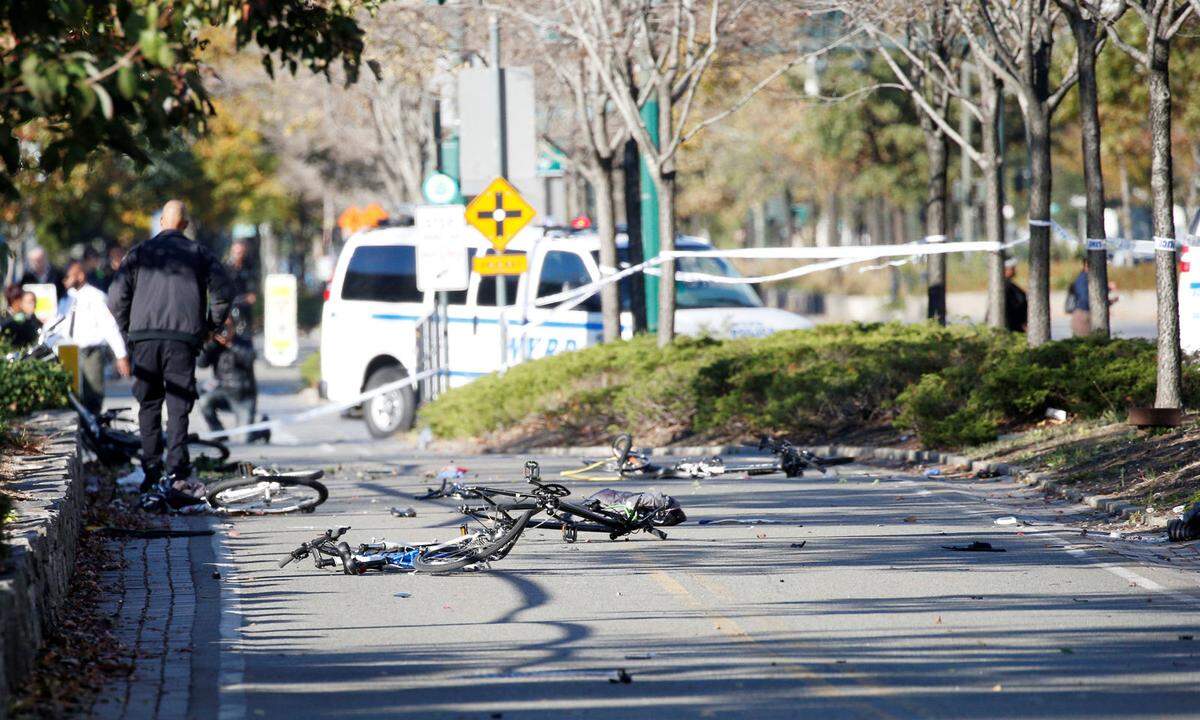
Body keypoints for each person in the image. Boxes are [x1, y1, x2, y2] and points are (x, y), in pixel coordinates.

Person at [108, 200, 233, 491]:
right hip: (183, 340)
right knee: (179, 407)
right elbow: (224, 292)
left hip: (144, 340)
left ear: (162, 222)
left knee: (148, 404)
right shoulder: (199, 253)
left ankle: (151, 471)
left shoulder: (139, 253)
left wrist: (129, 331)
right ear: (186, 225)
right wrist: (209, 327)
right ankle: (176, 471)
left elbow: (116, 298)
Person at [55, 260, 132, 414]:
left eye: (69, 277)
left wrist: (121, 355)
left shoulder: (96, 297)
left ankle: (94, 428)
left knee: (93, 393)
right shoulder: (66, 299)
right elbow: (59, 324)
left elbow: (109, 326)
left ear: (80, 276)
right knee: (73, 395)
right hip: (70, 353)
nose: (65, 281)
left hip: (91, 352)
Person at [197, 308, 268, 443]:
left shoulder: (243, 341)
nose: (224, 330)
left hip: (243, 396)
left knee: (244, 439)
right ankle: (218, 432)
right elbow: (201, 364)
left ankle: (262, 430)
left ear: (234, 326)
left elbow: (249, 358)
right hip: (222, 392)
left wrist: (230, 343)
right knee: (204, 401)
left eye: (227, 326)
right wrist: (211, 344)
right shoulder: (214, 345)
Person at [1065, 256, 1119, 337]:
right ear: (1087, 264)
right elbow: (1086, 299)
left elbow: (1094, 293)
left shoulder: (1089, 278)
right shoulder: (1083, 279)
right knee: (1085, 343)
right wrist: (1106, 302)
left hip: (1086, 315)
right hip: (1083, 316)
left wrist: (1108, 290)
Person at [228, 239, 258, 316]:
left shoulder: (248, 266)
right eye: (236, 253)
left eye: (240, 253)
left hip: (245, 301)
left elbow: (252, 281)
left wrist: (252, 293)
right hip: (230, 302)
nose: (238, 255)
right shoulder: (226, 267)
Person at [1003, 259, 1027, 333]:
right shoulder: (1006, 287)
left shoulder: (1012, 286)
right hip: (1012, 325)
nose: (1014, 271)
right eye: (1011, 269)